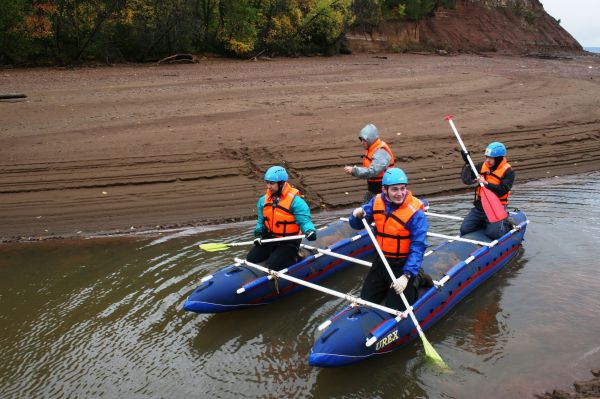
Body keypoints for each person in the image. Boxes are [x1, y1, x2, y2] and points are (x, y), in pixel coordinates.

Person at [348, 168, 428, 311]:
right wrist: (355, 216)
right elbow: (357, 224)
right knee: (366, 300)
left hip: (402, 264)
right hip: (382, 261)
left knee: (396, 308)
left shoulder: (416, 214)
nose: (400, 193)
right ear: (385, 190)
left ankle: (418, 278)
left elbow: (418, 246)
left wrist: (406, 276)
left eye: (403, 188)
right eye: (395, 189)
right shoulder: (376, 201)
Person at [247, 165, 317, 271]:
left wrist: (309, 230)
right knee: (251, 259)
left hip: (289, 241)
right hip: (271, 238)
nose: (268, 186)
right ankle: (275, 254)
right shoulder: (263, 200)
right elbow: (261, 221)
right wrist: (258, 234)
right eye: (267, 183)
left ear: (281, 183)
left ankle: (296, 256)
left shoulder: (296, 202)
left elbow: (304, 221)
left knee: (272, 266)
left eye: (272, 183)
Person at [459, 141, 515, 239]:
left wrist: (486, 183)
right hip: (481, 206)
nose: (488, 160)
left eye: (491, 158)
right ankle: (485, 222)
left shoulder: (508, 172)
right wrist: (467, 163)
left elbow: (503, 189)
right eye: (487, 157)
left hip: (496, 207)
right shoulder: (482, 166)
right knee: (465, 229)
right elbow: (466, 180)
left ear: (498, 159)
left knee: (493, 234)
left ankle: (506, 224)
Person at [344, 123, 395, 203]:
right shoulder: (372, 149)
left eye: (364, 140)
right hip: (373, 190)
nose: (362, 143)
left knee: (370, 210)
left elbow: (373, 171)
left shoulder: (380, 152)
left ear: (370, 139)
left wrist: (354, 170)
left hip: (384, 190)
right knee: (365, 210)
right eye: (361, 140)